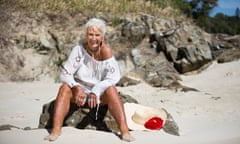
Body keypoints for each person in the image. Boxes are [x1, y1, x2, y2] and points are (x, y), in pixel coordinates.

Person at [44, 18, 135, 142]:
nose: (93, 38)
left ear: (102, 36)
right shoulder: (78, 50)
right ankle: (55, 130)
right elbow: (65, 74)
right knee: (64, 87)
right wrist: (76, 87)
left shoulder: (106, 51)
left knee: (112, 89)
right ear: (86, 35)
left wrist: (96, 90)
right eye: (90, 34)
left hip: (99, 95)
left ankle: (124, 132)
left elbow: (114, 77)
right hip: (79, 93)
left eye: (97, 35)